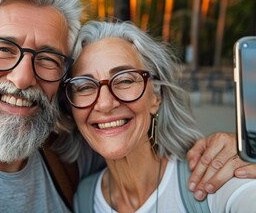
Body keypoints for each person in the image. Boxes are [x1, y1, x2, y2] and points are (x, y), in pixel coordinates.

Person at [0, 0, 254, 212]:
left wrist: (236, 151)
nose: (22, 79)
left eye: (48, 59)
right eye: (3, 49)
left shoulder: (72, 163)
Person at [64, 20, 256, 212]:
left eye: (125, 80)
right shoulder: (85, 198)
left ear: (157, 96)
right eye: (85, 86)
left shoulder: (210, 178)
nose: (105, 104)